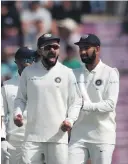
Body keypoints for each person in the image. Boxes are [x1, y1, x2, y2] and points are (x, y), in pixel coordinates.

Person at [13, 33, 83, 164]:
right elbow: (20, 99)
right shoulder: (28, 72)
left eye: (55, 47)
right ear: (40, 50)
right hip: (32, 137)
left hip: (58, 137)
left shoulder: (67, 73)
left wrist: (70, 120)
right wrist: (17, 114)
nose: (52, 50)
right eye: (48, 47)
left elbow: (76, 102)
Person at [68, 34, 119, 164]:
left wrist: (85, 106)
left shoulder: (110, 73)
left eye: (86, 48)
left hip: (102, 136)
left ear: (97, 49)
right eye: (80, 48)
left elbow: (110, 105)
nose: (83, 52)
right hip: (78, 136)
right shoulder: (74, 74)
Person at [1, 47, 36, 164]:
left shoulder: (45, 84)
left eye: (34, 59)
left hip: (38, 142)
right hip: (14, 142)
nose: (31, 63)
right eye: (27, 59)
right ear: (17, 62)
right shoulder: (7, 86)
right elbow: (1, 115)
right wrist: (2, 139)